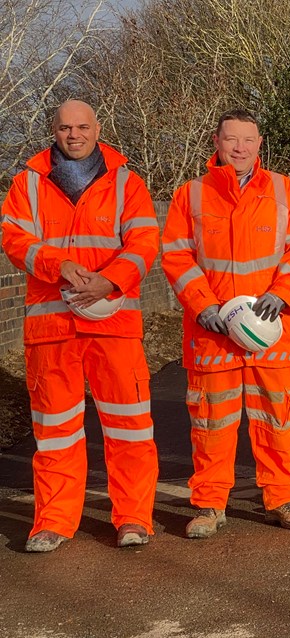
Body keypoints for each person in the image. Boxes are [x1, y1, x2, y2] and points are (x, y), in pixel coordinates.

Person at [1, 99, 160, 552]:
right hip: (52, 329)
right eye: (65, 127)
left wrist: (110, 280)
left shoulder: (126, 182)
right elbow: (16, 240)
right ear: (53, 130)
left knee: (129, 428)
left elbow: (146, 240)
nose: (74, 135)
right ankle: (53, 520)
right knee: (55, 432)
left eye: (82, 126)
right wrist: (61, 264)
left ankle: (133, 518)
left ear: (97, 128)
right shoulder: (27, 184)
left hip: (113, 323)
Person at [161, 109, 290, 538]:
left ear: (260, 143)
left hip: (271, 332)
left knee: (277, 420)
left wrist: (282, 294)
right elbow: (175, 255)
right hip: (213, 335)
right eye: (231, 140)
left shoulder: (283, 191)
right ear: (217, 141)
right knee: (211, 423)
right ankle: (210, 504)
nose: (239, 148)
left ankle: (282, 498)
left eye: (248, 140)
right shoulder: (191, 195)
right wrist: (203, 305)